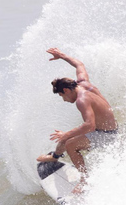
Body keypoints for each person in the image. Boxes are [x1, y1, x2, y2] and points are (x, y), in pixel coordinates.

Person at [36, 48, 118, 192]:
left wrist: (66, 134)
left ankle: (85, 180)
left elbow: (89, 126)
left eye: (62, 96)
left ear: (66, 91)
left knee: (70, 144)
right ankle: (54, 157)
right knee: (65, 137)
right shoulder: (83, 83)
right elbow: (79, 65)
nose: (64, 100)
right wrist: (61, 56)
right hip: (106, 130)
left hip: (108, 135)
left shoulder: (82, 100)